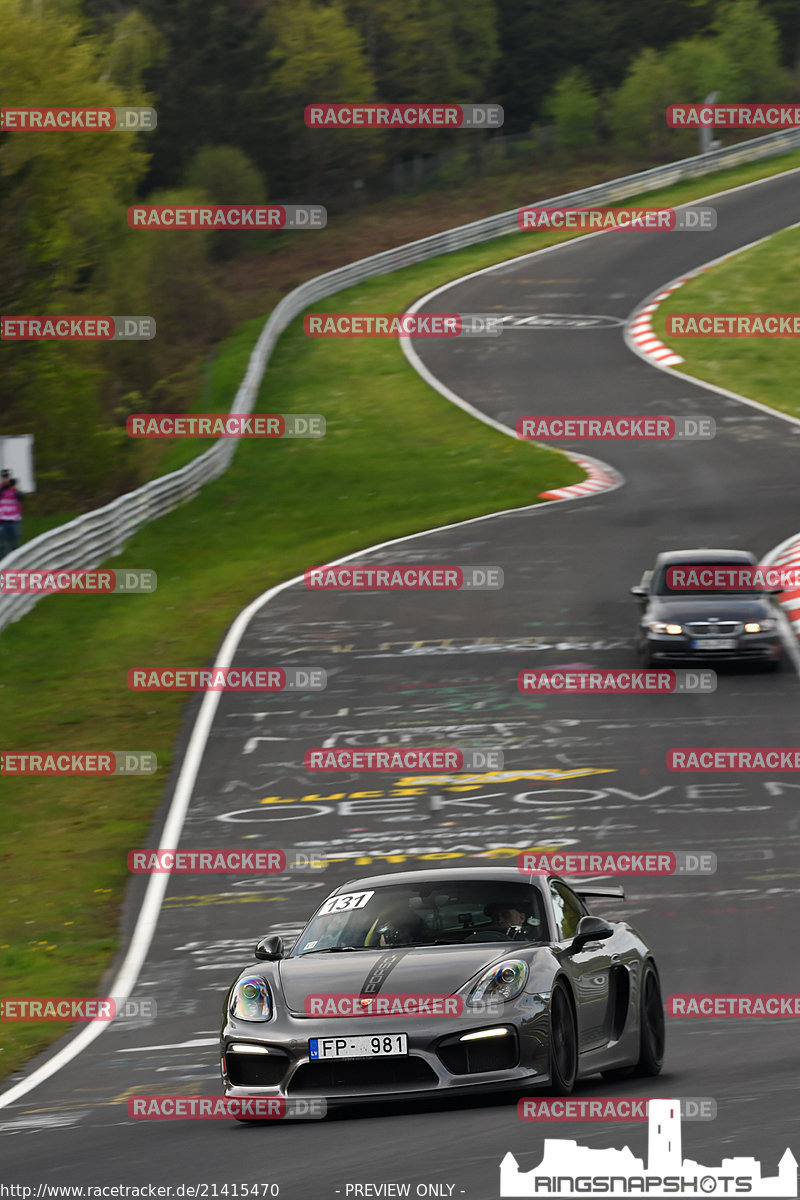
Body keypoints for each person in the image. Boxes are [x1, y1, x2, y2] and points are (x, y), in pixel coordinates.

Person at [0, 470, 23, 558]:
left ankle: (17, 567)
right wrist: (4, 488)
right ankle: (4, 567)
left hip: (14, 520)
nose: (6, 479)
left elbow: (21, 497)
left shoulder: (14, 489)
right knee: (4, 546)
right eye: (4, 477)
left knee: (15, 545)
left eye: (7, 477)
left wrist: (15, 489)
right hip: (2, 521)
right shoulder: (1, 488)